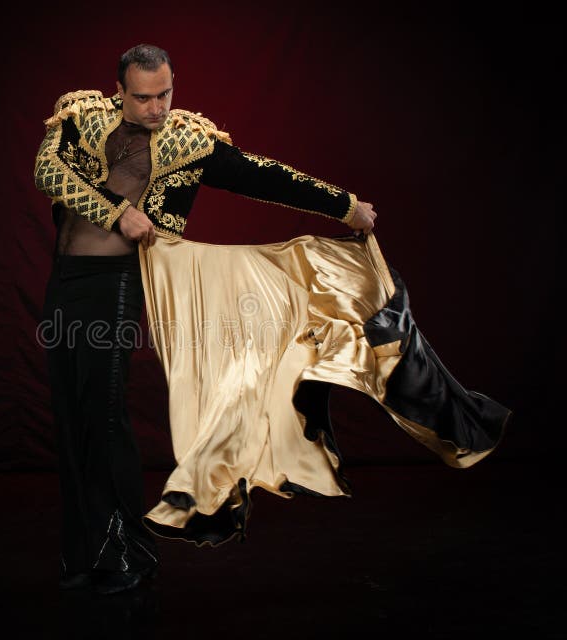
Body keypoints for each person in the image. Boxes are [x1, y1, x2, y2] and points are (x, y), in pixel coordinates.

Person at [34, 43, 377, 595]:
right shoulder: (80, 118)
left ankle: (130, 555)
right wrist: (119, 213)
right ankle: (87, 553)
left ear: (174, 85)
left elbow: (269, 177)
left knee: (104, 412)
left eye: (164, 93)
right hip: (65, 280)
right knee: (71, 417)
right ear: (120, 90)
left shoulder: (190, 142)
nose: (155, 107)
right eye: (143, 97)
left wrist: (344, 204)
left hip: (120, 285)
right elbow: (48, 172)